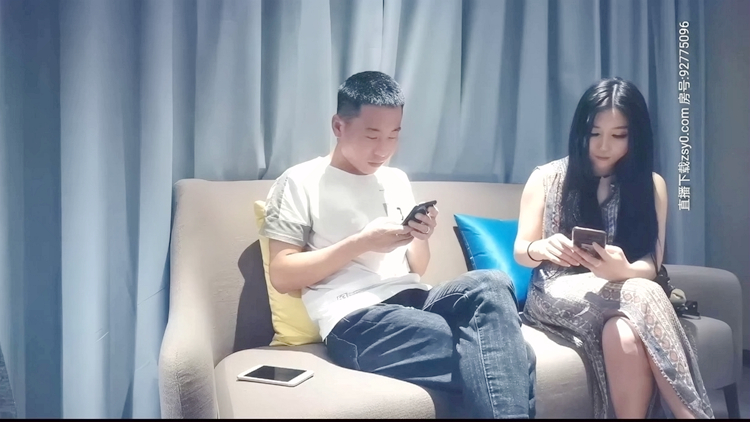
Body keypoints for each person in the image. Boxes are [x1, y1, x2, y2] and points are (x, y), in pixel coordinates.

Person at [262, 71, 536, 418]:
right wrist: (360, 243)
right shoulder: (300, 181)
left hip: (417, 299)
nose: (384, 149)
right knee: (513, 355)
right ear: (338, 126)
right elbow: (282, 275)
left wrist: (420, 235)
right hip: (355, 316)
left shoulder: (396, 180)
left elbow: (417, 268)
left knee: (491, 282)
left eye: (394, 135)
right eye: (372, 135)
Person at [515, 77, 713, 419]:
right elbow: (521, 250)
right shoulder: (547, 177)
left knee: (622, 331)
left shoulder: (651, 185)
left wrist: (624, 271)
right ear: (581, 130)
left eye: (618, 135)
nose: (603, 145)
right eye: (594, 133)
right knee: (643, 292)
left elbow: (651, 263)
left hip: (622, 290)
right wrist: (543, 248)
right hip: (554, 291)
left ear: (635, 136)